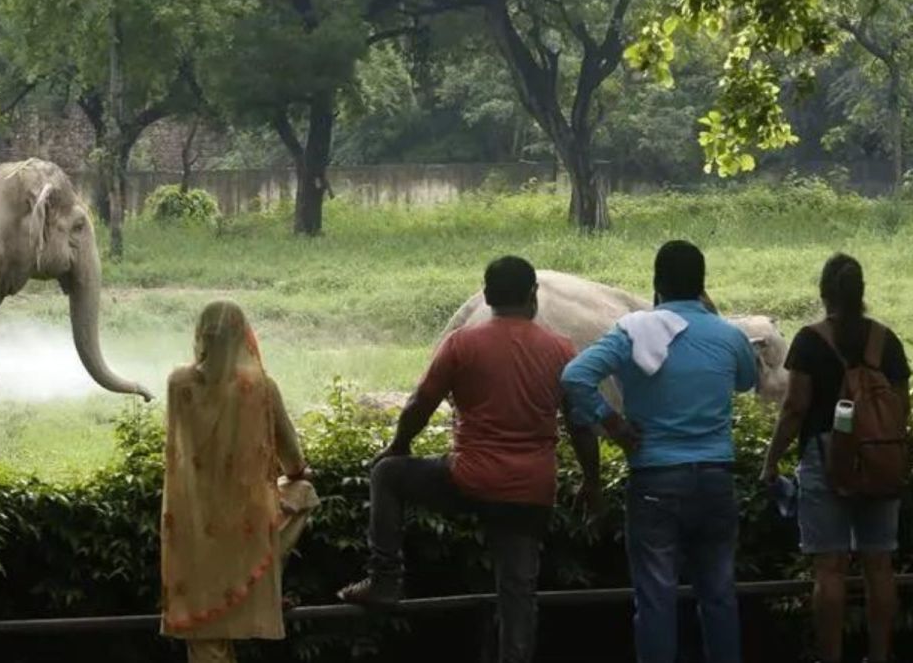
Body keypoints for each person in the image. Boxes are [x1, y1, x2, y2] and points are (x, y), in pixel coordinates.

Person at [337, 256, 602, 663]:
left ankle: (385, 578)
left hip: (469, 480)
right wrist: (591, 481)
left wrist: (399, 445)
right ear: (532, 296)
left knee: (388, 474)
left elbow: (419, 405)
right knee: (518, 595)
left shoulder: (462, 343)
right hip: (531, 490)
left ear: (488, 295)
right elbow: (582, 424)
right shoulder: (561, 350)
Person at [561, 240, 758, 663]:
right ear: (703, 285)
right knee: (719, 594)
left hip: (654, 479)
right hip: (715, 478)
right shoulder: (728, 335)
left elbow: (575, 376)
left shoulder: (633, 331)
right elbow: (745, 380)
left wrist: (612, 424)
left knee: (655, 597)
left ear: (656, 284)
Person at [760, 253, 910, 663]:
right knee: (880, 564)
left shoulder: (810, 340)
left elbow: (794, 408)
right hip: (881, 456)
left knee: (830, 567)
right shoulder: (887, 339)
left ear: (824, 292)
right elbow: (901, 404)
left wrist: (771, 460)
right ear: (862, 293)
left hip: (825, 456)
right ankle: (880, 656)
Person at [160, 301, 319, 663]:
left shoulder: (177, 384)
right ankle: (257, 584)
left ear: (201, 336)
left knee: (205, 633)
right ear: (243, 336)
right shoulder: (261, 387)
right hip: (246, 524)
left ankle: (252, 585)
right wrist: (296, 473)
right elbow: (292, 457)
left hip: (193, 525)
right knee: (304, 494)